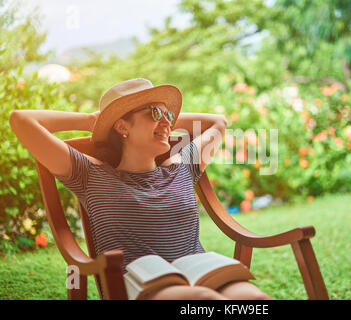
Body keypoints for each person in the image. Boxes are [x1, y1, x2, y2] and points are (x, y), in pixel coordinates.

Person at [9, 78, 272, 300]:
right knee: (203, 301)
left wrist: (162, 117)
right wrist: (92, 121)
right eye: (155, 114)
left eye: (169, 116)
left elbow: (218, 123)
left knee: (255, 301)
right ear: (122, 126)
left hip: (201, 270)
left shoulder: (181, 166)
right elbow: (21, 120)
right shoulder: (89, 173)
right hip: (137, 282)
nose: (168, 123)